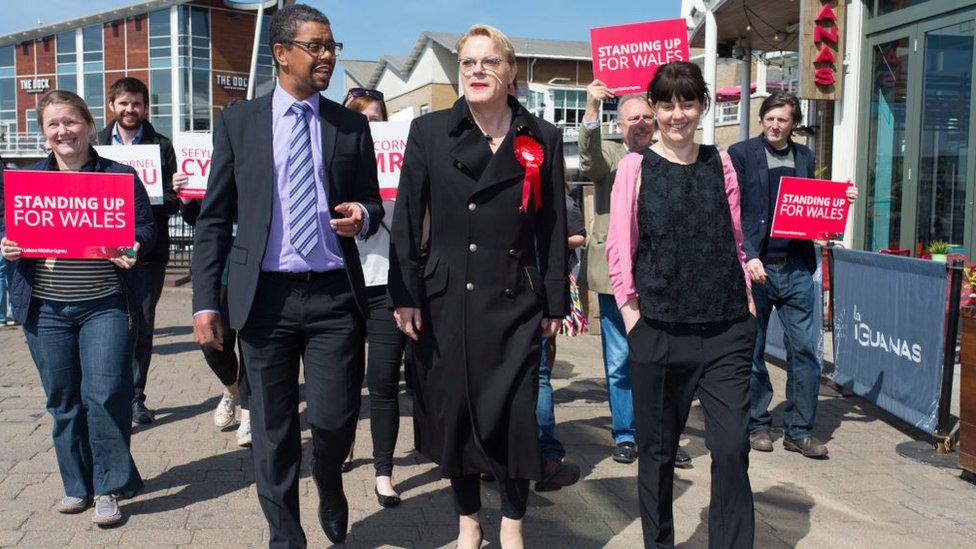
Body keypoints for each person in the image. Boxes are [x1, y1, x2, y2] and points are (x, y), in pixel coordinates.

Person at [190, 4, 382, 546]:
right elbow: (214, 220)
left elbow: (372, 201)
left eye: (331, 46)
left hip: (333, 299)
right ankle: (285, 534)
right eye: (316, 46)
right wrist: (206, 302)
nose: (327, 56)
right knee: (272, 430)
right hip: (263, 300)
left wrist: (363, 215)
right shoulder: (239, 122)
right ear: (281, 53)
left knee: (334, 420)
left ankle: (329, 483)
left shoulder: (348, 124)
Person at [388, 24, 568, 549]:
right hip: (446, 300)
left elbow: (553, 224)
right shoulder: (430, 133)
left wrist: (555, 299)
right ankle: (469, 524)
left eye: (489, 62)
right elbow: (407, 219)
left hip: (514, 296)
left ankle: (512, 522)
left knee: (514, 414)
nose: (477, 71)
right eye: (468, 63)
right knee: (456, 414)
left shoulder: (541, 136)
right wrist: (405, 294)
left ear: (510, 72)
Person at [606, 61, 756, 548]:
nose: (676, 115)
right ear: (653, 108)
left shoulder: (723, 163)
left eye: (687, 103)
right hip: (660, 330)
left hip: (726, 329)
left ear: (703, 106)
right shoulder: (635, 167)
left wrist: (749, 302)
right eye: (666, 104)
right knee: (658, 452)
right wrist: (631, 316)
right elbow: (619, 246)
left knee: (732, 448)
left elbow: (734, 237)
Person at [0, 90, 155, 526]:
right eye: (54, 124)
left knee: (105, 397)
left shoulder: (119, 177)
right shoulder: (26, 181)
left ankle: (109, 487)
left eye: (71, 121)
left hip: (104, 305)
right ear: (44, 134)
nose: (63, 131)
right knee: (63, 401)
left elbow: (145, 227)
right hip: (45, 309)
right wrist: (7, 243)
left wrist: (135, 244)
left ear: (88, 124)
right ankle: (76, 486)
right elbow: (7, 225)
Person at [728, 92, 858, 459]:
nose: (775, 125)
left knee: (804, 351)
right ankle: (757, 424)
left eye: (783, 119)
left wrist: (839, 204)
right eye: (770, 117)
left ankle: (799, 430)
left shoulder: (805, 156)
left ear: (793, 123)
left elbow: (807, 207)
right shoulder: (741, 154)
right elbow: (733, 211)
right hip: (756, 269)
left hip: (798, 267)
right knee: (751, 351)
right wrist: (748, 255)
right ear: (762, 119)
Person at [579, 81, 693, 469]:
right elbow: (589, 159)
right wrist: (592, 108)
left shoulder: (674, 155)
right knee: (620, 360)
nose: (642, 123)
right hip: (617, 276)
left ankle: (664, 436)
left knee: (668, 359)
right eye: (634, 118)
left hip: (666, 275)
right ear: (621, 123)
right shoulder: (611, 156)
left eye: (648, 116)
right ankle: (626, 434)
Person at [96, 77, 181, 425]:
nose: (130, 109)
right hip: (101, 250)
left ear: (146, 108)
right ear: (112, 105)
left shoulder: (162, 145)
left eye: (136, 104)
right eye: (123, 103)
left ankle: (135, 398)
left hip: (148, 250)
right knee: (105, 321)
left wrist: (154, 199)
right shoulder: (95, 143)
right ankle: (106, 396)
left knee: (143, 323)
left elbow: (175, 201)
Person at [341, 87, 407, 506]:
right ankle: (342, 444)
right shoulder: (333, 162)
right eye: (361, 118)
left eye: (377, 117)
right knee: (342, 382)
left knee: (382, 382)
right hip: (342, 285)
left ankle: (384, 470)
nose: (370, 125)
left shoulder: (403, 165)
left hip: (388, 286)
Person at [176, 187, 252, 447]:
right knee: (213, 344)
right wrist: (186, 198)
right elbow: (195, 217)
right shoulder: (204, 153)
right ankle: (231, 389)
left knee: (252, 343)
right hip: (218, 261)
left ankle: (249, 415)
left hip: (257, 255)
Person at [534, 186, 584, 492]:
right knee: (537, 375)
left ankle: (495, 460)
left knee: (533, 374)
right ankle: (547, 460)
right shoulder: (550, 194)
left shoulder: (558, 198)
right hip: (531, 289)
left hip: (524, 290)